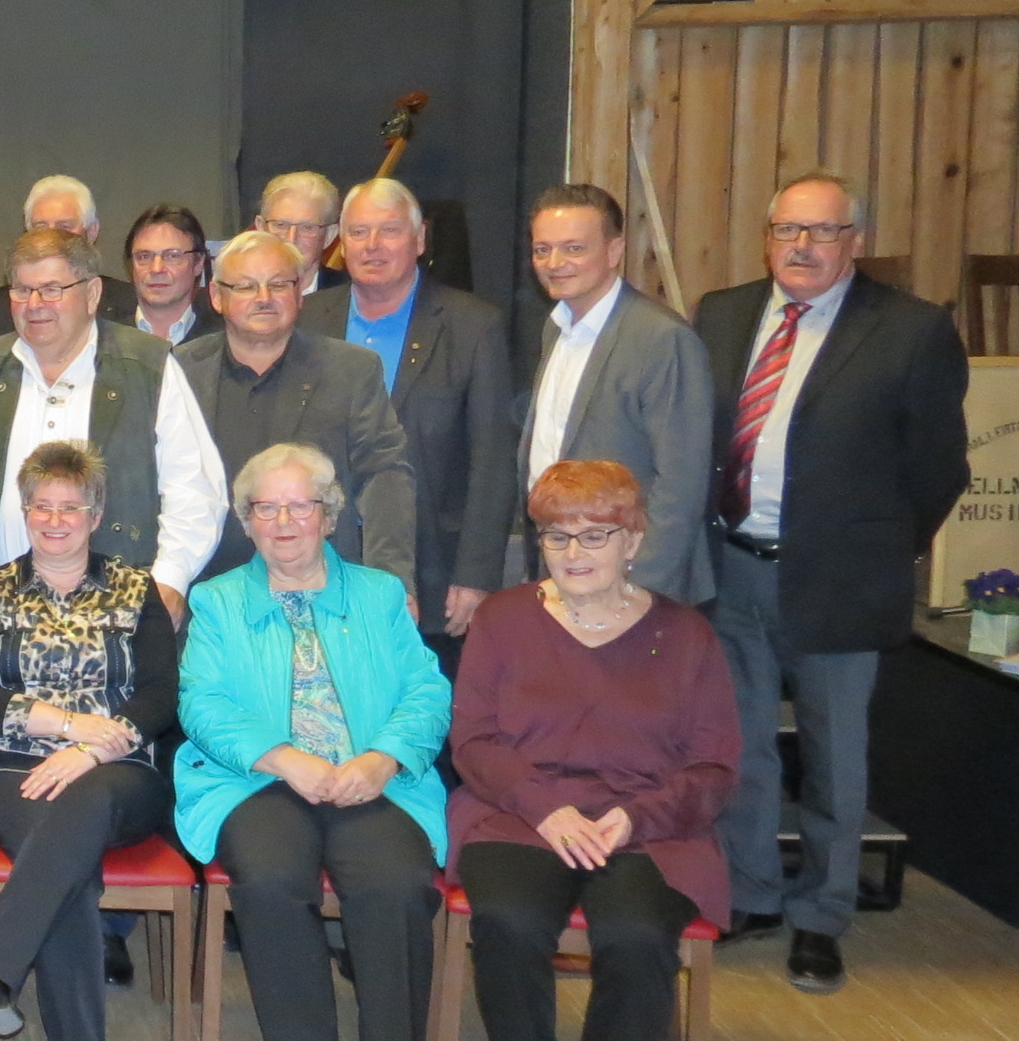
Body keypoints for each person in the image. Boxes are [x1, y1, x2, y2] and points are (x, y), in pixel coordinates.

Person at [449, 460, 740, 1041]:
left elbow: (714, 765)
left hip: (647, 828)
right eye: (556, 535)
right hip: (519, 813)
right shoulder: (504, 620)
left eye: (596, 534)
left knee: (638, 936)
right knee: (508, 924)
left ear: (635, 538)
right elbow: (473, 740)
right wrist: (547, 809)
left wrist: (635, 820)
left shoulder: (686, 634)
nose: (574, 552)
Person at [696, 172, 967, 992]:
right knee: (740, 750)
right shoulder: (722, 313)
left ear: (855, 239)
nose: (802, 247)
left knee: (834, 759)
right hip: (731, 565)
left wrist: (883, 547)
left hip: (842, 580)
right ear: (767, 236)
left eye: (821, 232)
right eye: (787, 230)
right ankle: (754, 895)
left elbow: (937, 469)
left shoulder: (911, 330)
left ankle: (821, 916)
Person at [176, 443, 451, 1041]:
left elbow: (426, 693)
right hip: (257, 780)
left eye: (302, 505)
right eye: (266, 507)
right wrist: (281, 755)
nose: (284, 521)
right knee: (268, 877)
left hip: (371, 780)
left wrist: (384, 758)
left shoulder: (379, 595)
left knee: (395, 883)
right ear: (248, 520)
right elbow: (202, 701)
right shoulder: (218, 600)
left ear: (329, 515)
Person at [0, 441, 180, 1041]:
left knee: (80, 811)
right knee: (68, 874)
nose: (54, 518)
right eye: (41, 505)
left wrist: (90, 749)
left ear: (95, 513)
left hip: (121, 774)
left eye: (69, 506)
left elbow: (163, 695)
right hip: (16, 772)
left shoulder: (138, 590)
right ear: (25, 511)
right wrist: (64, 725)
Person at [0, 229, 226, 621]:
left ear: (92, 295)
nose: (34, 304)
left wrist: (170, 581)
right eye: (22, 290)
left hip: (122, 617)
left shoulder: (149, 368)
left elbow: (194, 490)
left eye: (53, 289)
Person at [303, 178, 518, 667]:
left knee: (421, 725)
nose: (372, 246)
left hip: (433, 571)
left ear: (420, 241)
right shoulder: (307, 319)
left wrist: (477, 574)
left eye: (389, 231)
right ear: (340, 243)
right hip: (321, 564)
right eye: (358, 232)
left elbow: (492, 460)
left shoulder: (472, 326)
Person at [177, 230, 417, 602]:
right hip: (207, 596)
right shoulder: (180, 373)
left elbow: (385, 478)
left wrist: (391, 583)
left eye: (278, 284)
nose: (263, 299)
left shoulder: (352, 371)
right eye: (245, 287)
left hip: (329, 594)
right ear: (216, 297)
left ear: (300, 291)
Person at [522, 183, 715, 604]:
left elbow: (680, 485)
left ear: (613, 251)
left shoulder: (661, 338)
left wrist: (641, 592)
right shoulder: (556, 329)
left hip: (632, 588)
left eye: (573, 249)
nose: (554, 263)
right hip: (564, 572)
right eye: (542, 250)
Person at [0, 175, 107, 337]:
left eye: (64, 227)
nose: (52, 237)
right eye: (41, 228)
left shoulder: (126, 304)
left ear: (91, 232)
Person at [121, 205, 220, 347]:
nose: (156, 268)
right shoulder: (105, 344)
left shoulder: (223, 344)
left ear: (198, 263)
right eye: (144, 256)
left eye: (172, 256)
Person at [252, 171, 349, 293]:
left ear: (330, 235)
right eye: (281, 225)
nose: (291, 239)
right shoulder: (232, 297)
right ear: (260, 228)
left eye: (307, 227)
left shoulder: (355, 298)